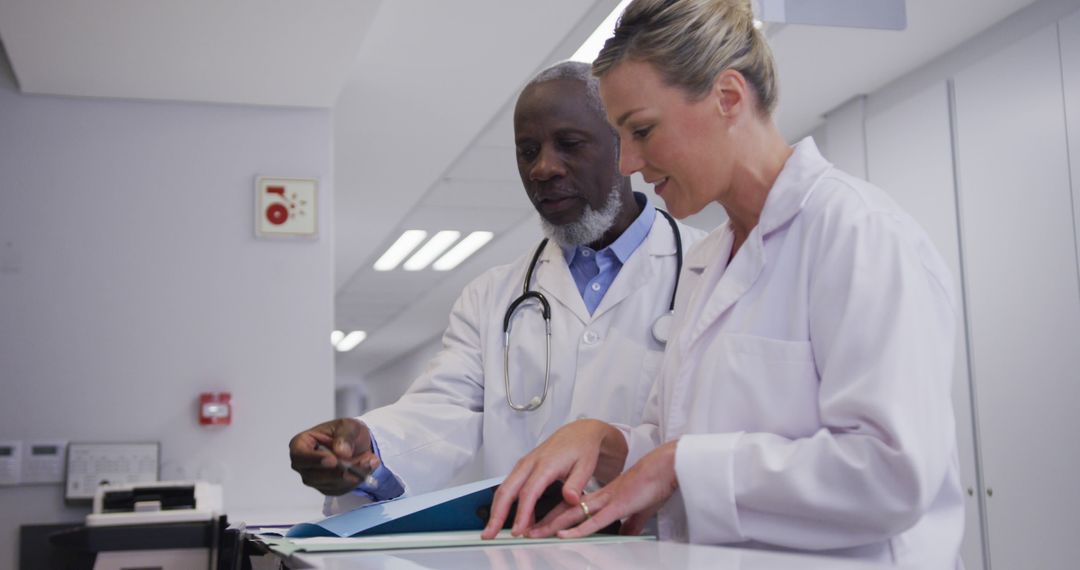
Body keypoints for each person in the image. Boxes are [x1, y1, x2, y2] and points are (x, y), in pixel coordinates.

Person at [482, 1, 965, 567]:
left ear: (728, 98)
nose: (630, 163)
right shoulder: (710, 261)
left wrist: (679, 463)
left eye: (641, 130)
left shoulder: (861, 236)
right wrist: (605, 441)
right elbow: (678, 443)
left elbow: (893, 474)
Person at [288, 60, 705, 514]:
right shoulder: (491, 297)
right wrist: (365, 446)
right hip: (526, 553)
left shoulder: (710, 270)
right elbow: (442, 413)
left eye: (569, 144)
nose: (543, 168)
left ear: (624, 145)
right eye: (527, 151)